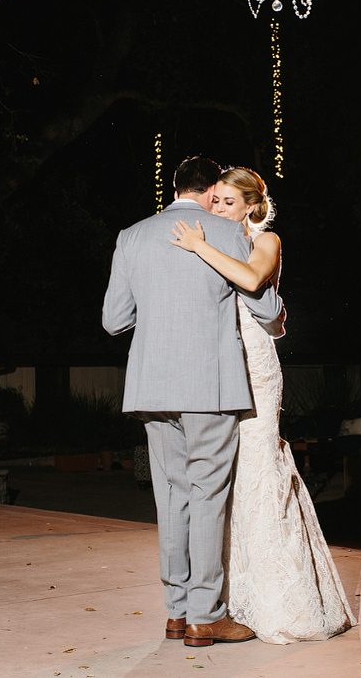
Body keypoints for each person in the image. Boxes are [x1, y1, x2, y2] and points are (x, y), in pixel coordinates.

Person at [102, 156, 284, 648]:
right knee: (208, 495)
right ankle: (207, 616)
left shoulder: (132, 234)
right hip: (209, 386)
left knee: (171, 495)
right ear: (208, 193)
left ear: (177, 187)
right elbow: (266, 307)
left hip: (152, 387)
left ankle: (176, 613)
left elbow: (114, 320)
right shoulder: (228, 234)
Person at [171, 167, 356, 643]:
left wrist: (199, 247)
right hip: (215, 365)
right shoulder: (209, 239)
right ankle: (220, 599)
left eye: (228, 203)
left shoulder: (266, 241)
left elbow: (254, 282)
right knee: (221, 477)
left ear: (251, 206)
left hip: (254, 366)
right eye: (214, 201)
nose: (217, 209)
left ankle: (276, 600)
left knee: (258, 468)